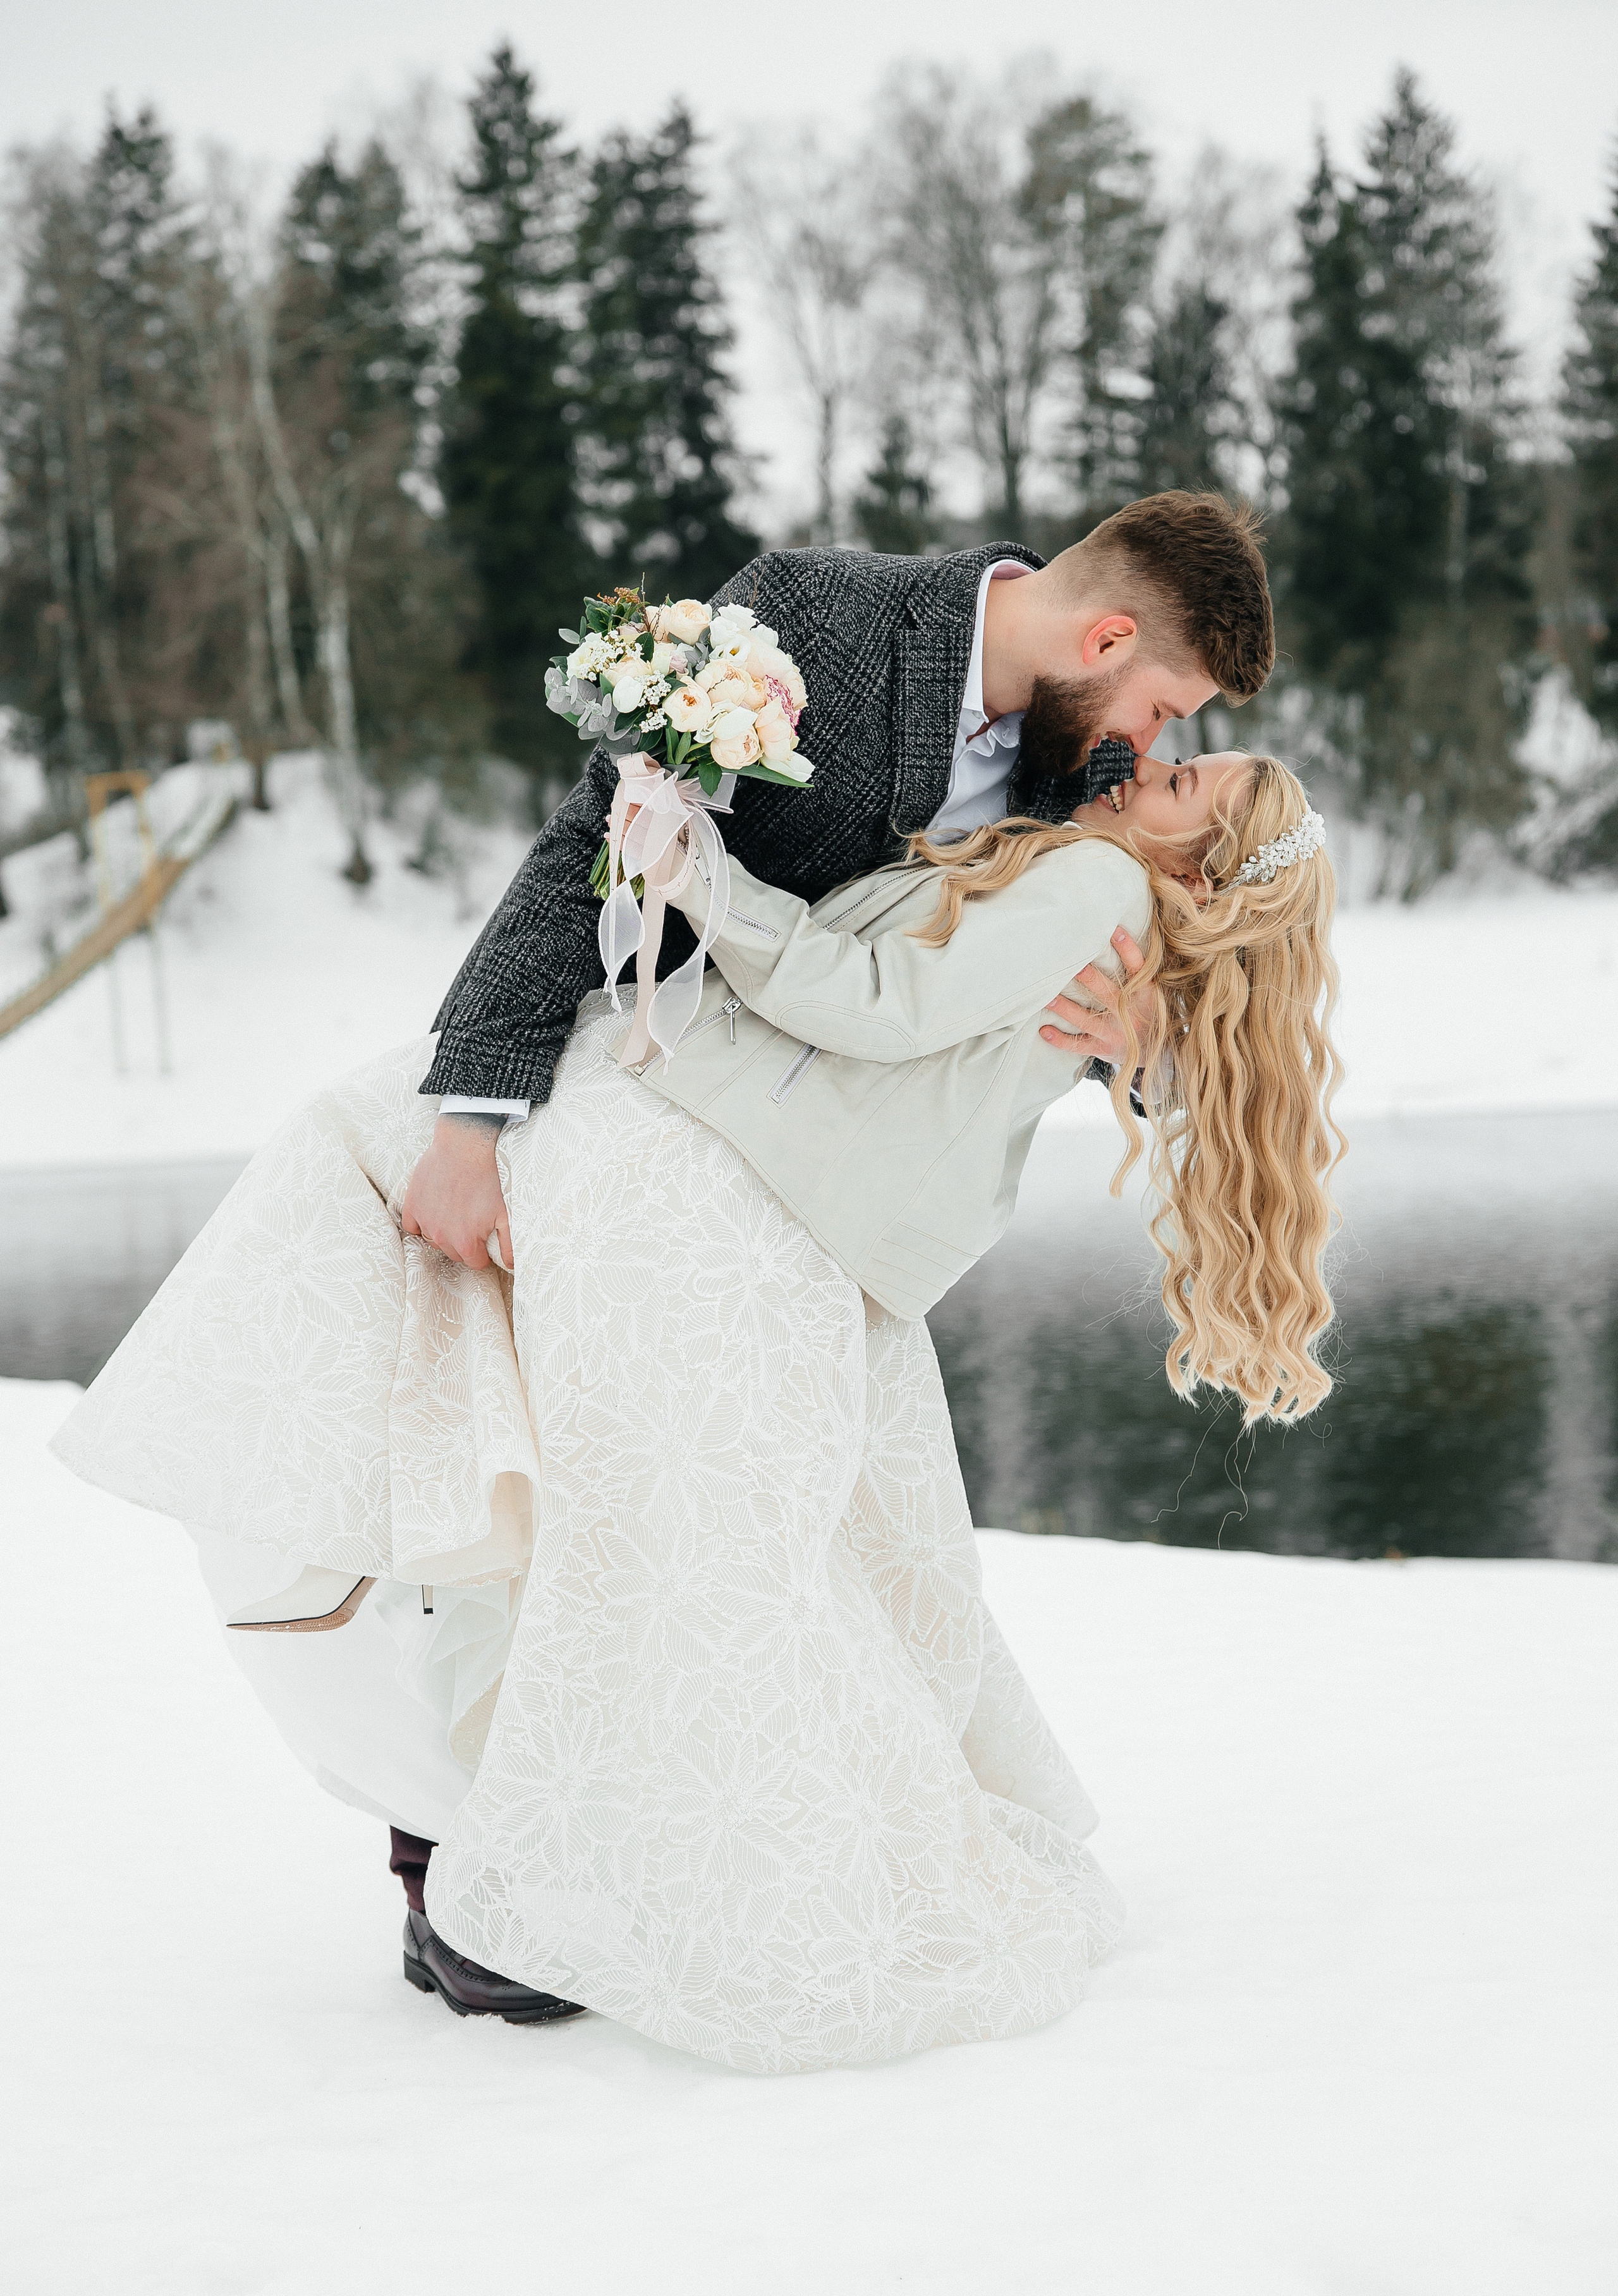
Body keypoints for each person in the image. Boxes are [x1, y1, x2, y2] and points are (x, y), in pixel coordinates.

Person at [53, 740, 1341, 2074]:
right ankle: (481, 1860)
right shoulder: (1081, 860)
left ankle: (468, 1858)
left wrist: (700, 878)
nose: (1150, 761)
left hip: (707, 1145)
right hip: (736, 1167)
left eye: (1186, 779)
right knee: (611, 1523)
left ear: (1201, 866)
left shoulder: (1093, 881)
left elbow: (886, 1004)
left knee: (487, 1428)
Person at [400, 489, 1274, 1272]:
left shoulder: (1092, 789)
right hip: (620, 1087)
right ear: (1108, 639)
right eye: (1160, 710)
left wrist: (1156, 1053)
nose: (1149, 747)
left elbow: (1024, 1000)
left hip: (807, 1222)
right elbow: (597, 844)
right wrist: (471, 1126)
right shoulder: (810, 619)